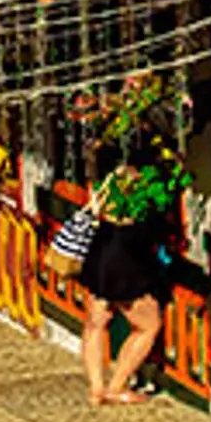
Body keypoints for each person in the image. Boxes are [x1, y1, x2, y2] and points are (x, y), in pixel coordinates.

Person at [76, 163, 178, 407]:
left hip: (99, 259)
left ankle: (96, 389)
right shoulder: (142, 209)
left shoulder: (104, 204)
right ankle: (117, 386)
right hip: (126, 268)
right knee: (148, 325)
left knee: (95, 324)